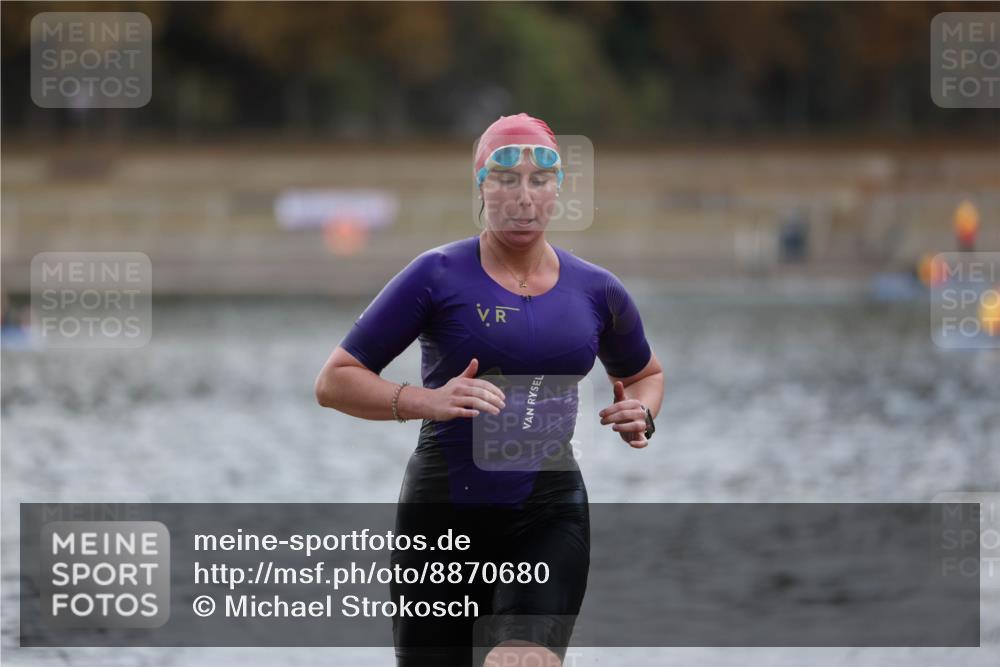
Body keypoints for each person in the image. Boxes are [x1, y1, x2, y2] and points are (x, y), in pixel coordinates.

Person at [315, 112, 664, 667]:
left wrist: (640, 413)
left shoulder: (598, 291)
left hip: (547, 513)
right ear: (481, 186)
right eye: (505, 180)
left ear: (557, 192)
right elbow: (334, 381)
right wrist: (427, 401)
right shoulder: (436, 275)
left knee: (521, 661)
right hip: (443, 517)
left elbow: (645, 374)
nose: (523, 197)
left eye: (538, 180)